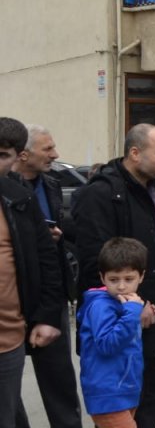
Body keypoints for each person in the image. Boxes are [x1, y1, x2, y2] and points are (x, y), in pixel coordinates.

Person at [73, 124, 155, 428]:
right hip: (124, 320)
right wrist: (130, 308)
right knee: (124, 405)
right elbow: (94, 265)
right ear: (135, 153)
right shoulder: (100, 194)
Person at [11, 124, 81, 428]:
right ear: (24, 155)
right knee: (8, 391)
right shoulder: (7, 188)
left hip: (50, 298)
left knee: (60, 382)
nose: (56, 154)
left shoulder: (51, 185)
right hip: (14, 301)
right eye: (48, 149)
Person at [0, 116, 63, 428]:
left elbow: (47, 261)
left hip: (8, 337)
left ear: (15, 158)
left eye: (2, 155)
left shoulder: (20, 200)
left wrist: (48, 316)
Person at [78, 238, 149, 428]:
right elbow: (107, 344)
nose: (121, 286)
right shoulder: (101, 306)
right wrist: (133, 312)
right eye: (114, 279)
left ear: (141, 276)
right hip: (107, 392)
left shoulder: (125, 303)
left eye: (129, 279)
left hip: (125, 388)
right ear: (102, 278)